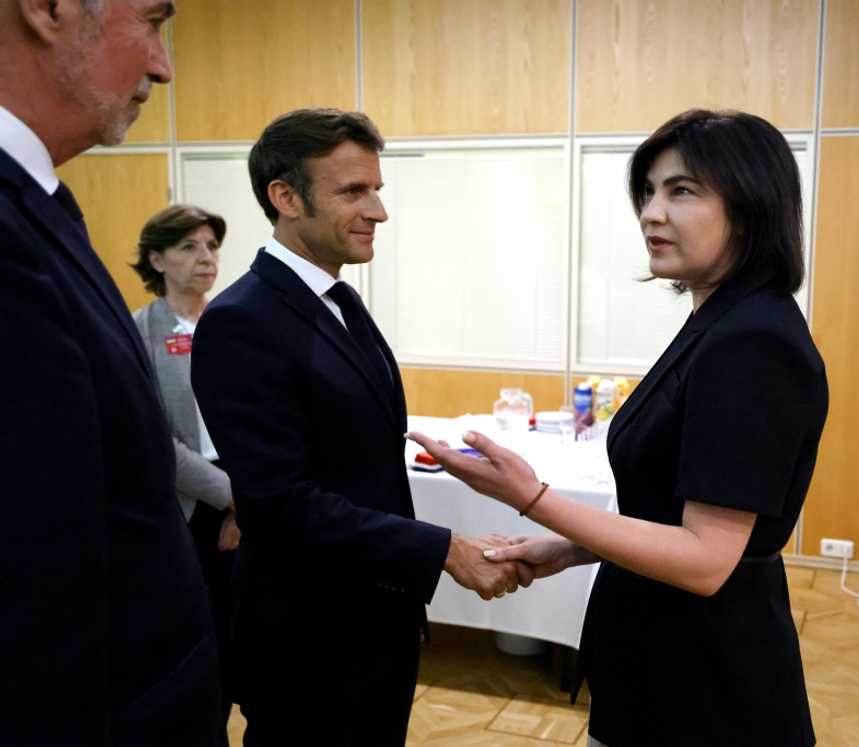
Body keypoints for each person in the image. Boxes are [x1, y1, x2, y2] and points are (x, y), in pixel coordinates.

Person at [409, 109, 828, 746]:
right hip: (660, 658)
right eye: (650, 191)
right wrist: (571, 549)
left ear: (751, 205)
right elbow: (672, 511)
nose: (652, 213)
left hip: (706, 685)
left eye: (682, 190)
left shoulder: (752, 342)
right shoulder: (719, 323)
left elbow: (707, 560)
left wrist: (531, 498)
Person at [190, 108, 527, 747]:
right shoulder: (244, 320)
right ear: (285, 197)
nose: (378, 211)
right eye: (353, 191)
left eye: (377, 189)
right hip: (309, 639)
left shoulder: (337, 299)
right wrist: (445, 550)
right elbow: (277, 504)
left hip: (375, 620)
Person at [0, 1, 225, 745]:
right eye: (153, 22)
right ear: (49, 9)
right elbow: (38, 568)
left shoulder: (41, 206)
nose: (162, 64)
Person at [131, 204, 240, 731]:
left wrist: (250, 498)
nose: (206, 258)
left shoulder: (235, 322)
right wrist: (233, 497)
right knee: (198, 644)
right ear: (157, 258)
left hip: (251, 497)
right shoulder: (137, 334)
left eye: (212, 247)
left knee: (250, 636)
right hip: (187, 501)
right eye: (189, 247)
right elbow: (155, 441)